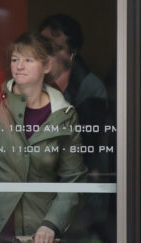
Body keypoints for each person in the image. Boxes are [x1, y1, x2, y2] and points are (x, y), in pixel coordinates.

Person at [0, 32, 87, 243]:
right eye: (14, 59)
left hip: (35, 229)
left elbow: (73, 178)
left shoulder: (65, 114)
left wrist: (51, 224)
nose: (19, 66)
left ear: (46, 66)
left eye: (28, 60)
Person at [39, 15, 110, 180]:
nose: (46, 56)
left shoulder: (90, 87)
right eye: (42, 48)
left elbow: (90, 147)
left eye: (55, 49)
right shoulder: (29, 81)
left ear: (73, 53)